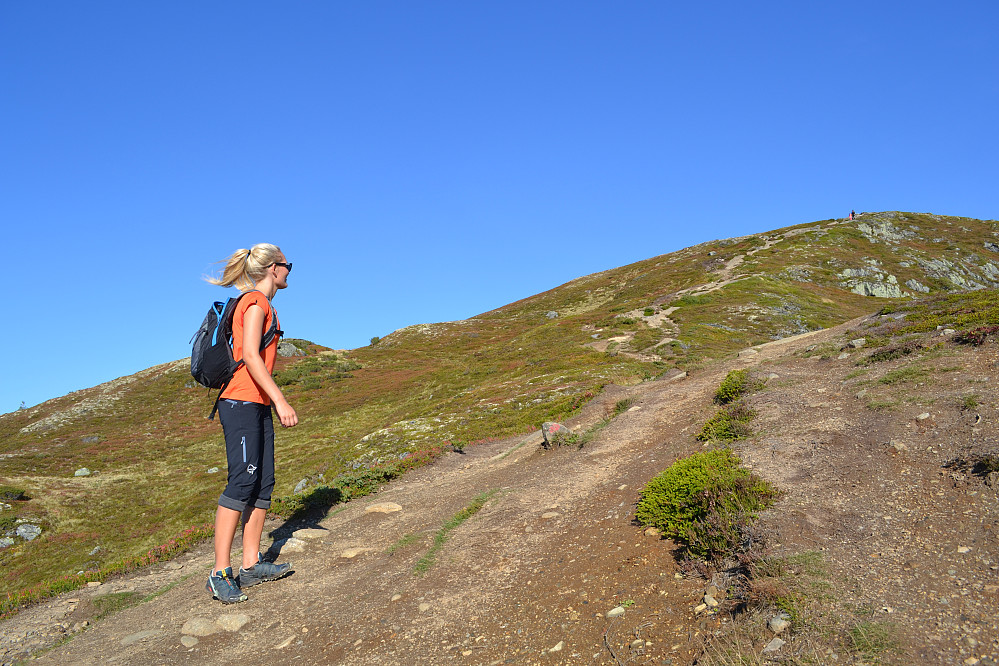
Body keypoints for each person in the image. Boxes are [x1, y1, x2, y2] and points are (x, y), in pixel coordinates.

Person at [203, 243, 298, 604]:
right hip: (241, 401)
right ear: (274, 268)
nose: (289, 270)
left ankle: (251, 563)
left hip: (254, 402)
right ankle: (219, 573)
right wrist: (281, 399)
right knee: (243, 482)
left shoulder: (264, 304)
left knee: (263, 482)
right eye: (287, 265)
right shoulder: (255, 302)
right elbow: (250, 357)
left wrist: (269, 401)